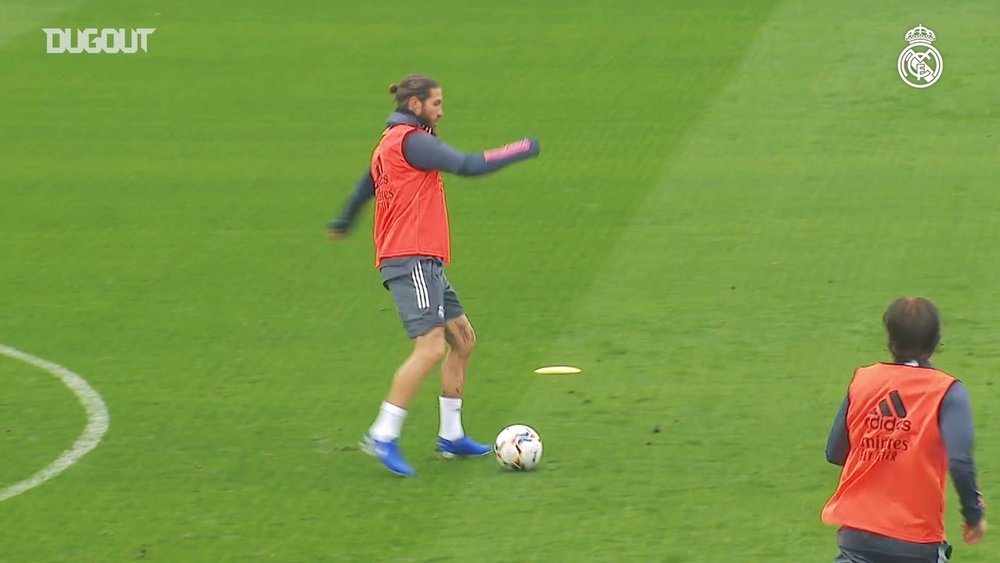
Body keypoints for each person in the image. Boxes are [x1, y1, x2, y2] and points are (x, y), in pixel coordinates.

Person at [347, 73, 540, 476]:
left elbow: (367, 185)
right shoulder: (414, 142)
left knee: (463, 340)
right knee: (430, 348)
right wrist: (521, 148)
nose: (441, 110)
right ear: (415, 105)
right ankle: (382, 434)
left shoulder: (388, 144)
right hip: (410, 257)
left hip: (426, 258)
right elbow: (468, 166)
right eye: (436, 103)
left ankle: (450, 437)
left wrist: (344, 219)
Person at [822, 297, 986, 562]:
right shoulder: (947, 392)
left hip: (857, 536)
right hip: (915, 540)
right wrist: (973, 514)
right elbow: (960, 461)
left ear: (890, 336)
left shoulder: (863, 381)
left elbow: (835, 452)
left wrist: (883, 445)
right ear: (936, 339)